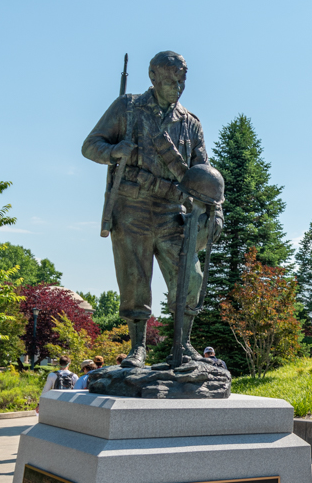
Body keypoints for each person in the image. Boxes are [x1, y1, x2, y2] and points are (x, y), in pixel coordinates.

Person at [82, 51, 224, 368]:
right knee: (135, 281)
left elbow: (204, 171)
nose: (178, 86)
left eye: (182, 80)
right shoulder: (128, 108)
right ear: (153, 76)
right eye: (171, 79)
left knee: (191, 278)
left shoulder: (190, 124)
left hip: (175, 211)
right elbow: (90, 146)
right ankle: (137, 349)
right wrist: (116, 150)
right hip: (132, 208)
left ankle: (183, 346)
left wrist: (217, 211)